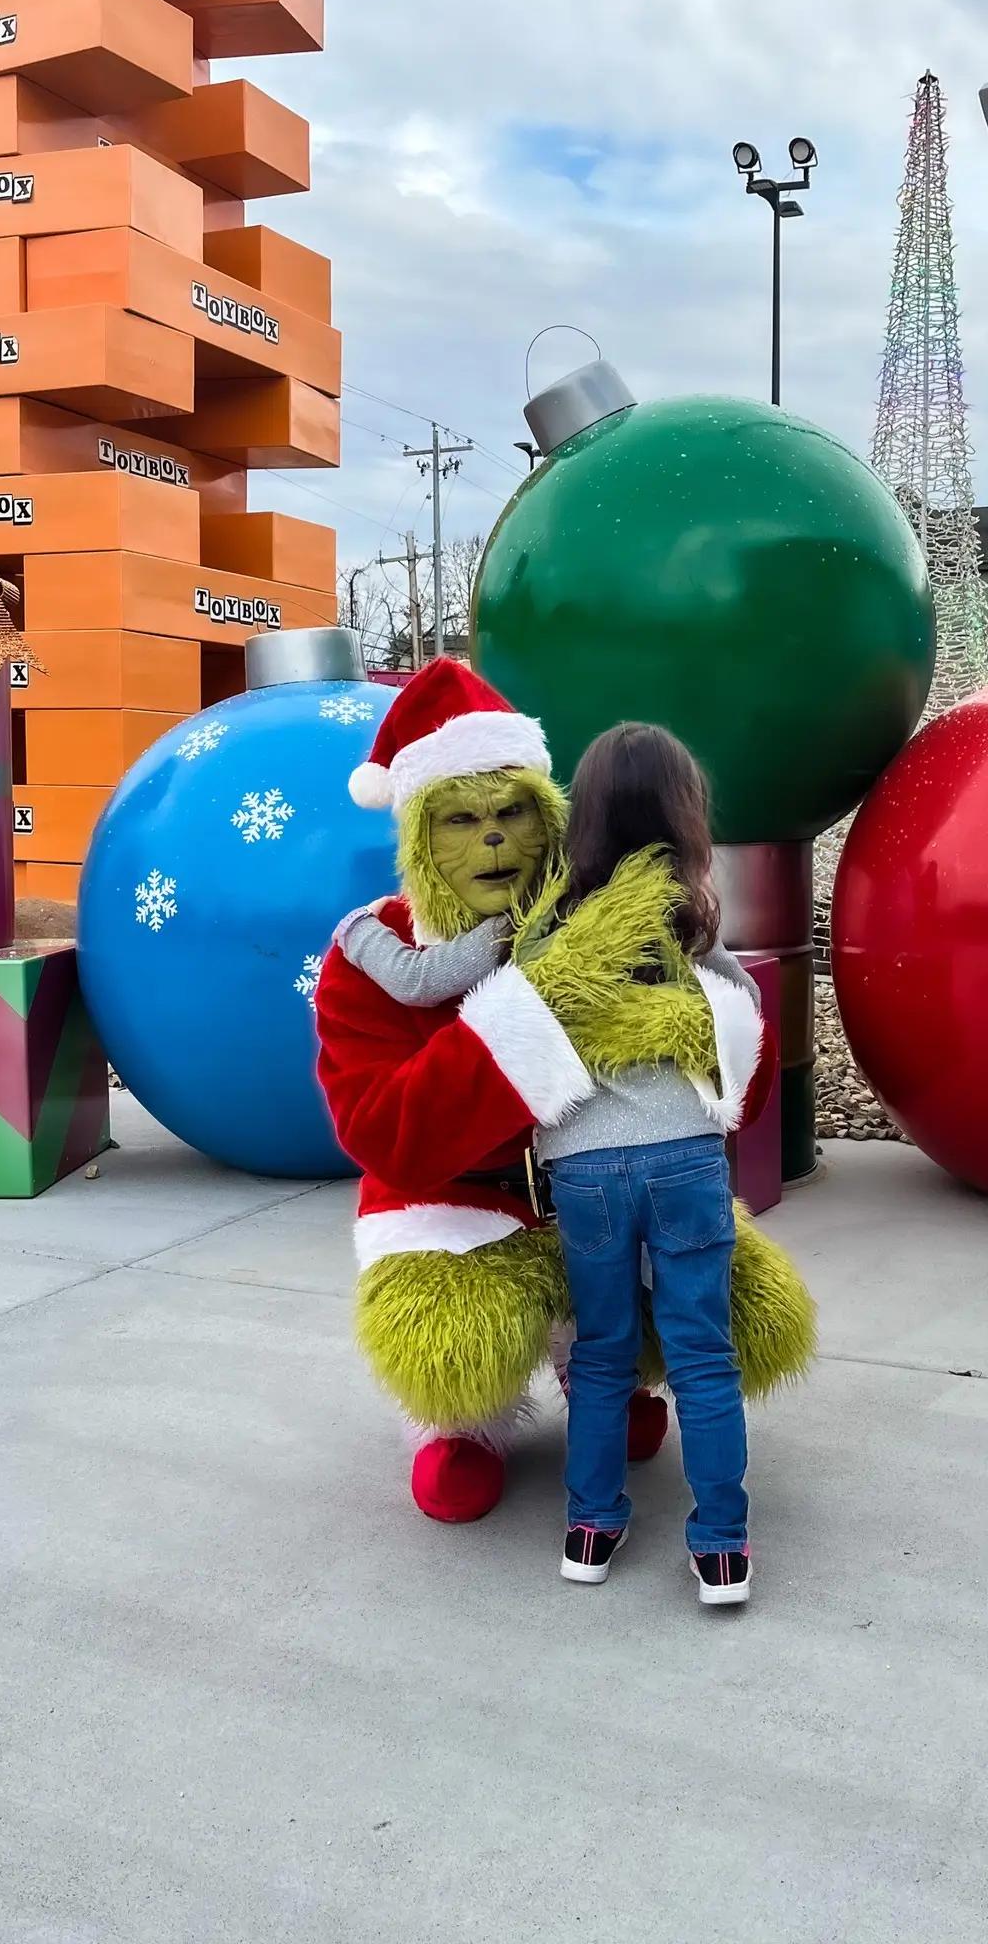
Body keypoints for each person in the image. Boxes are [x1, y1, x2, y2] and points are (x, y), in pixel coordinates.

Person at [314, 660, 814, 1529]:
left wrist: (686, 1019)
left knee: (748, 1304)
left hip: (596, 1188)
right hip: (457, 1206)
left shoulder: (604, 916)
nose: (493, 840)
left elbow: (743, 1090)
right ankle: (459, 1429)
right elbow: (386, 1134)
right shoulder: (379, 962)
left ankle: (601, 1378)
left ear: (550, 819)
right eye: (460, 822)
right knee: (448, 1342)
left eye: (512, 813)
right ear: (418, 841)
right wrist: (542, 1009)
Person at [517, 722, 770, 1606]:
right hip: (684, 1159)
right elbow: (742, 1007)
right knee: (702, 1355)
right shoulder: (690, 919)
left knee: (601, 1356)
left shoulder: (549, 928)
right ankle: (722, 1548)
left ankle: (589, 1527)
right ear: (681, 810)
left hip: (585, 1166)